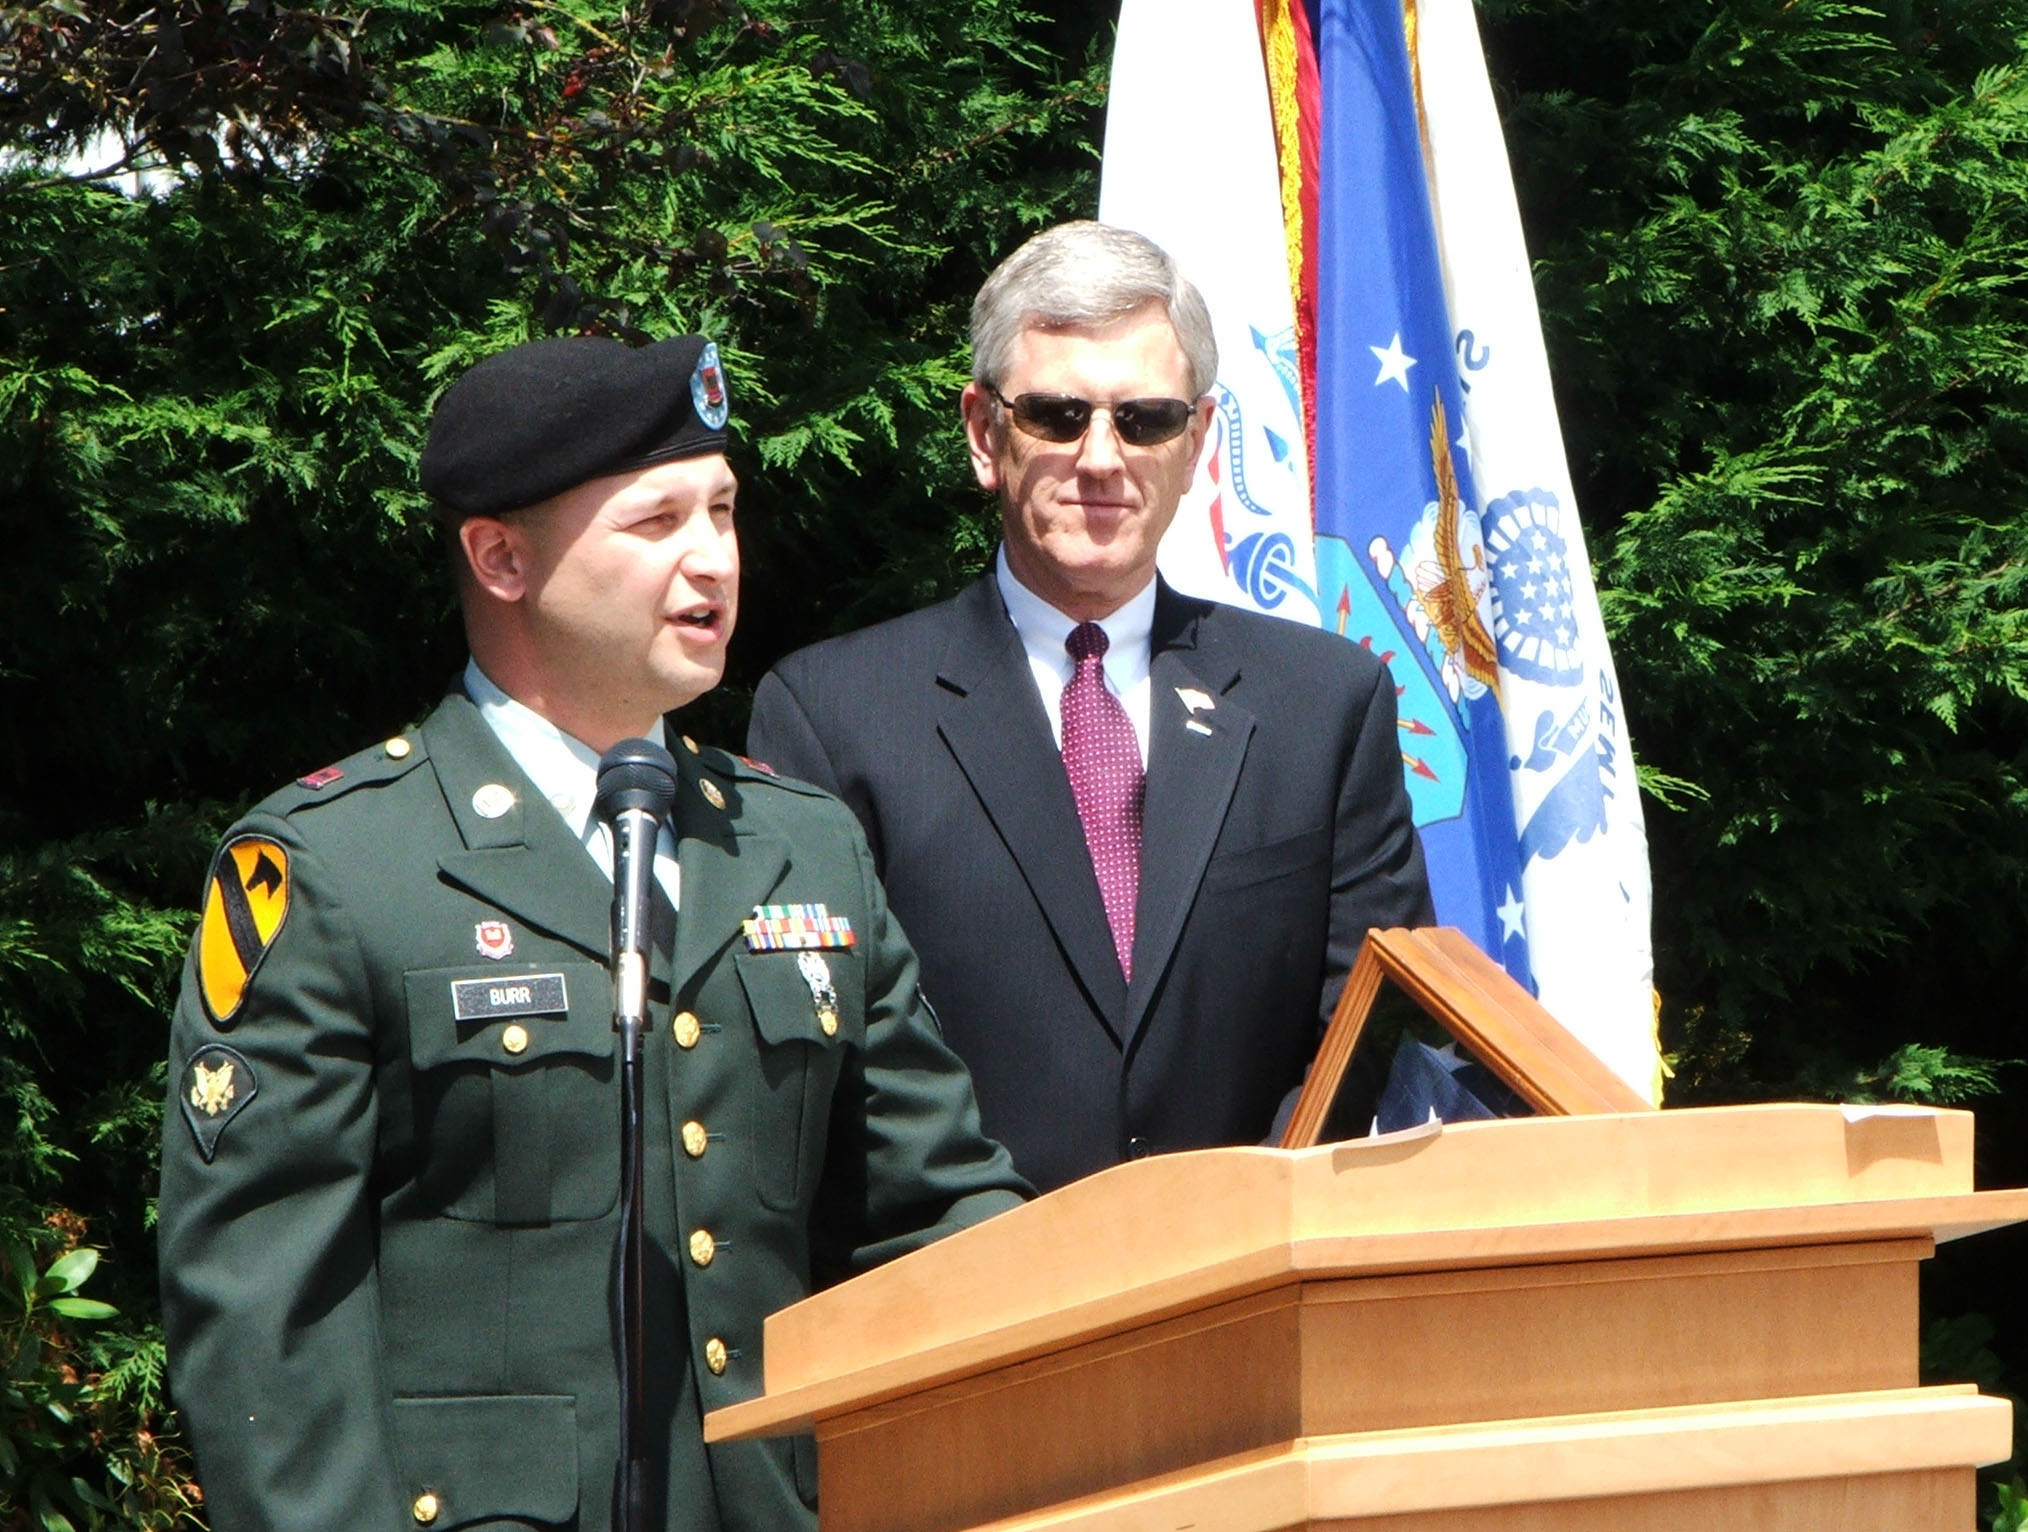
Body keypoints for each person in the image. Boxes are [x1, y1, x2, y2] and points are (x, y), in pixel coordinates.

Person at [157, 334, 1028, 1532]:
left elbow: (934, 1209)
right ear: (501, 557)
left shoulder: (799, 842)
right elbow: (267, 1320)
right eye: (656, 520)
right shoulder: (337, 867)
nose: (712, 559)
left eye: (722, 511)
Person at [747, 222, 1435, 1194]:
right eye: (1059, 415)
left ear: (1197, 443)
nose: (1102, 457)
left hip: (1242, 1294)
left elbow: (1361, 1025)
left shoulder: (1322, 706)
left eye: (1145, 418)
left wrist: (1244, 1233)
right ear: (986, 434)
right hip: (956, 1310)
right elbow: (820, 1055)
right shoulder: (833, 716)